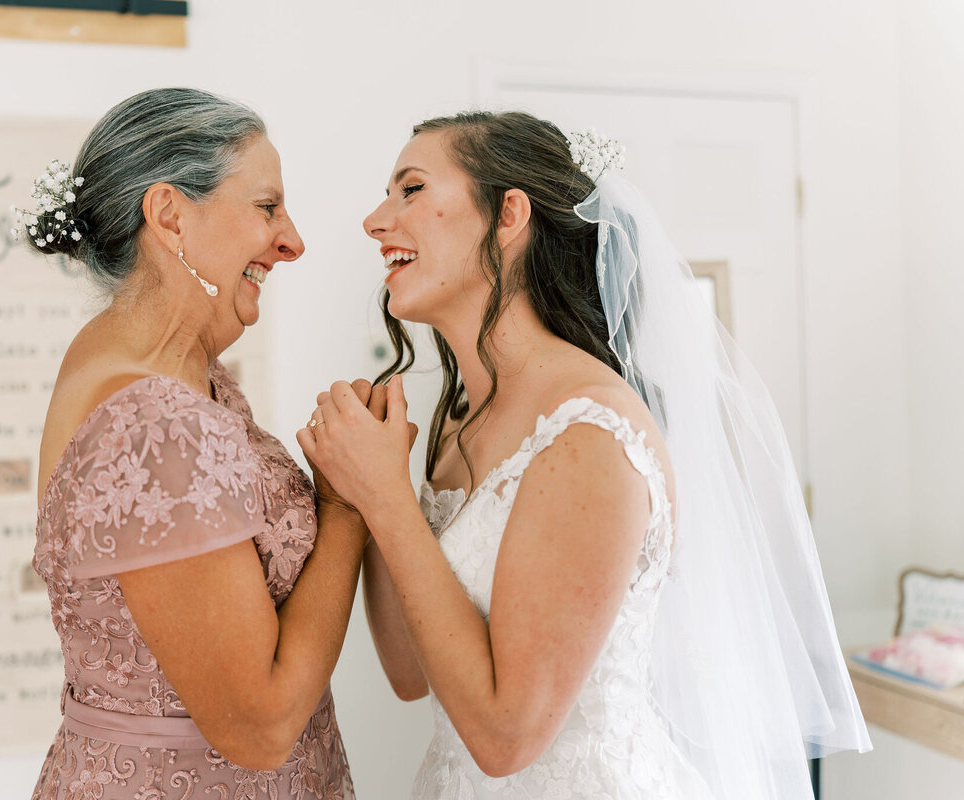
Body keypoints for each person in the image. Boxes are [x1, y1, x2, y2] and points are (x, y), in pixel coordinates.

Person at [298, 111, 871, 800]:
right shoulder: (460, 421)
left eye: (410, 189)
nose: (375, 221)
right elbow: (408, 671)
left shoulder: (589, 433)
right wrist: (362, 489)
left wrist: (387, 497)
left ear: (508, 214)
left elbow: (507, 737)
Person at [24, 88, 366, 800]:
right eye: (267, 207)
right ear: (171, 216)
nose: (292, 241)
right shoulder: (155, 423)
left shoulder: (163, 368)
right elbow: (261, 727)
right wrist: (349, 504)